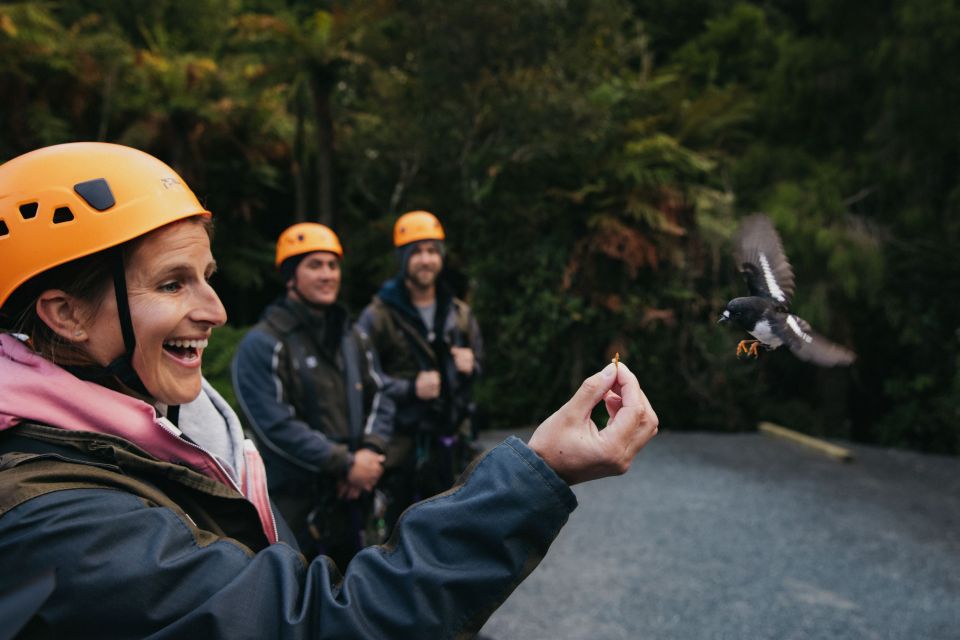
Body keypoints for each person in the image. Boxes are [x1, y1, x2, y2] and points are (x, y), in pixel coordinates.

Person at [0, 142, 659, 638]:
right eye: (173, 283)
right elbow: (316, 620)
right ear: (66, 315)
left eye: (207, 275)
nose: (216, 309)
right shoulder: (56, 520)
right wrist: (534, 473)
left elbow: (374, 392)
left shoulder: (183, 428)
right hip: (316, 487)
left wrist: (377, 447)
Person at [231, 223, 393, 566]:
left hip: (353, 501)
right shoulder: (263, 344)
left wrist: (370, 452)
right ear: (291, 276)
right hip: (295, 510)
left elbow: (382, 396)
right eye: (315, 265)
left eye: (333, 265)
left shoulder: (352, 336)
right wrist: (346, 465)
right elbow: (274, 426)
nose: (327, 274)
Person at [357, 210, 483, 532]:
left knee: (455, 530)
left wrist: (471, 365)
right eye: (416, 252)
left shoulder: (459, 314)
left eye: (431, 251)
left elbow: (480, 367)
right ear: (403, 259)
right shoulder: (378, 316)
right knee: (404, 531)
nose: (425, 260)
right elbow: (360, 380)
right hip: (401, 449)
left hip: (451, 444)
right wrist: (411, 388)